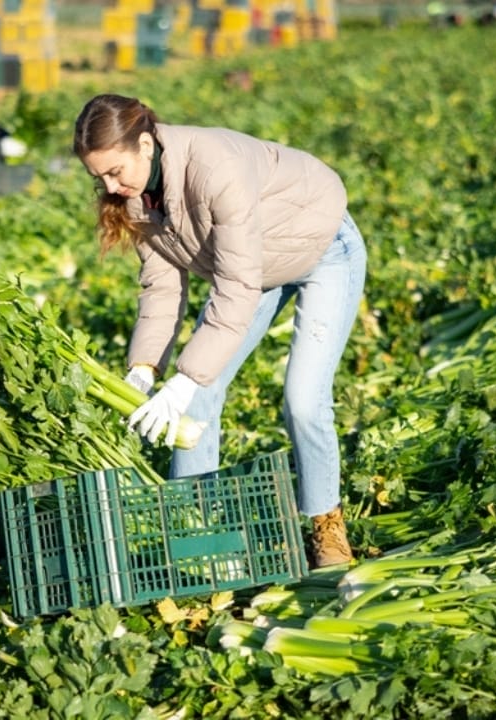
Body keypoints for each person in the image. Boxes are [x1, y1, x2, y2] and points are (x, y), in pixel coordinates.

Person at [72, 94, 367, 568]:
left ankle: (324, 523)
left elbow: (236, 287)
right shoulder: (135, 196)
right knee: (197, 399)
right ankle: (193, 530)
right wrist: (145, 369)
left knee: (303, 399)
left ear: (145, 144)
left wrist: (186, 377)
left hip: (322, 249)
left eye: (115, 171)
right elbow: (162, 286)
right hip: (253, 269)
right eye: (99, 177)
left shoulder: (214, 168)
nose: (110, 185)